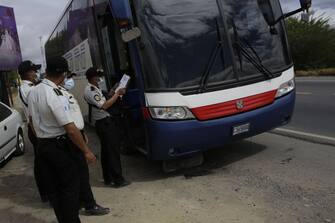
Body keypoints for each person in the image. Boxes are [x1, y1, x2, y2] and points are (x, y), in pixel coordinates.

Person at [28, 56, 96, 223]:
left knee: (56, 191)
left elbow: (31, 122)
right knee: (69, 191)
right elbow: (70, 129)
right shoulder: (54, 93)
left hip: (44, 146)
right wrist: (86, 151)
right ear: (63, 74)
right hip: (61, 147)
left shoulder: (34, 91)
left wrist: (44, 140)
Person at [58, 74, 110, 215]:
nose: (69, 80)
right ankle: (89, 205)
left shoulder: (61, 92)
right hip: (69, 138)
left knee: (77, 174)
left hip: (74, 134)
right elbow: (68, 125)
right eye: (67, 76)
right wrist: (86, 150)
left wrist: (82, 132)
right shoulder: (55, 94)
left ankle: (81, 202)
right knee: (81, 173)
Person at [84, 67, 130, 188]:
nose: (99, 78)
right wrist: (118, 94)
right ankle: (118, 180)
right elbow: (104, 105)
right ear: (92, 77)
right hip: (105, 123)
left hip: (105, 123)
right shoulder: (90, 90)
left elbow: (106, 98)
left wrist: (114, 91)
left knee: (107, 152)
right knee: (113, 152)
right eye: (97, 76)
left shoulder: (96, 88)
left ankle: (108, 178)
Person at [17, 60, 48, 202]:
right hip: (36, 129)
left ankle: (46, 192)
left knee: (42, 162)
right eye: (33, 71)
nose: (35, 74)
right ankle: (47, 193)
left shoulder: (30, 87)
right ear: (27, 74)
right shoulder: (28, 89)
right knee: (43, 163)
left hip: (37, 127)